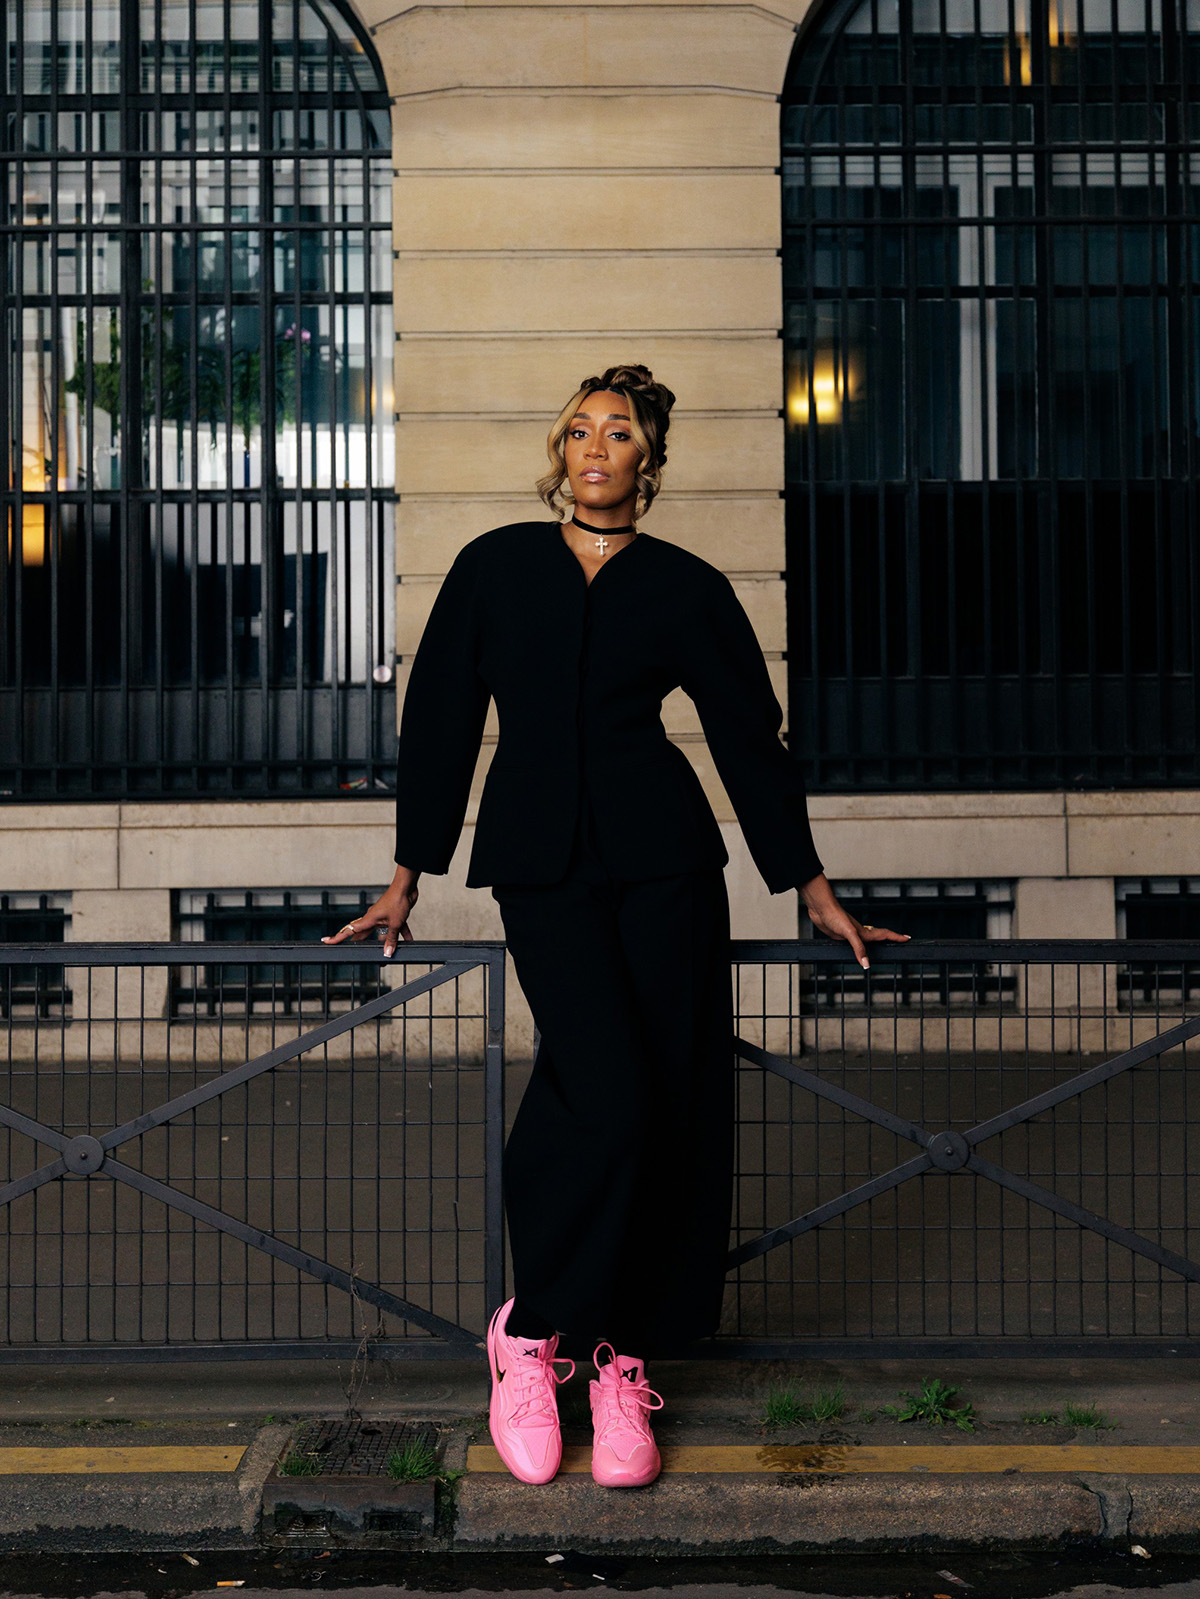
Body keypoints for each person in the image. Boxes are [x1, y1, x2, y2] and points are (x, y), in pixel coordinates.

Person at [324, 364, 906, 1489]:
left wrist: (809, 884)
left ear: (650, 460)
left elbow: (749, 741)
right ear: (562, 450)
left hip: (668, 865)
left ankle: (623, 1363)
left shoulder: (687, 586)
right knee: (606, 1088)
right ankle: (533, 1338)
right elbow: (441, 719)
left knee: (675, 1097)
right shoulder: (495, 568)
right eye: (581, 431)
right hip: (543, 867)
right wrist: (408, 874)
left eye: (621, 433)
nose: (597, 449)